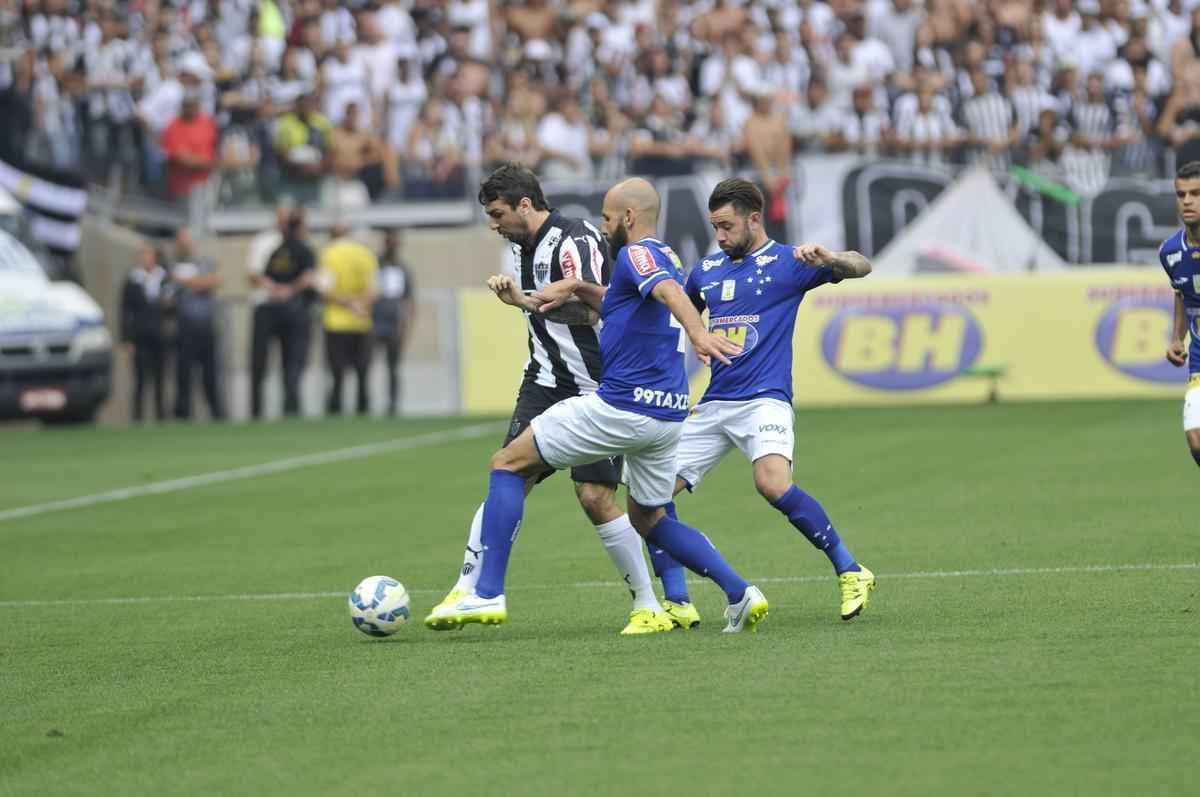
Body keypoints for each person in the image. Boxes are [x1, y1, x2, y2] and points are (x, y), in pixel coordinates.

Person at [425, 177, 770, 635]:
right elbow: (622, 303)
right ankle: (740, 592)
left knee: (507, 463)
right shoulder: (665, 254)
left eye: (607, 218)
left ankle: (485, 592)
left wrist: (698, 332)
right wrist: (572, 285)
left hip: (621, 407)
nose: (602, 227)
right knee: (649, 516)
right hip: (667, 415)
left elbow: (669, 293)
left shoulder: (637, 254)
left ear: (628, 217)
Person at [647, 179, 877, 626]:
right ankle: (677, 601)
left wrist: (831, 259)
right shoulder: (706, 271)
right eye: (715, 227)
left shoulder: (791, 262)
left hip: (764, 399)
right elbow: (677, 312)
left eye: (727, 226)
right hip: (714, 404)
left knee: (772, 484)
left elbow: (862, 265)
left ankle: (851, 570)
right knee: (648, 496)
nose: (720, 236)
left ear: (754, 219)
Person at [250, 207, 316, 419]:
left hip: (288, 309)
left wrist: (285, 290)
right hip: (276, 308)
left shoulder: (296, 247)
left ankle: (289, 407)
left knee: (291, 362)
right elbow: (256, 275)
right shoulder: (272, 245)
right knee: (273, 361)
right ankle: (265, 409)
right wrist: (283, 290)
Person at [317, 225, 378, 416]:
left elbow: (324, 291)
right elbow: (374, 290)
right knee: (362, 373)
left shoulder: (328, 254)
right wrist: (358, 305)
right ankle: (363, 411)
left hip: (336, 323)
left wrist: (347, 303)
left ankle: (335, 411)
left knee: (337, 374)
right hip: (362, 321)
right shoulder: (365, 254)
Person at [1162, 162, 1200, 466]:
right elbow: (1182, 293)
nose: (1187, 201)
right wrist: (1176, 337)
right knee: (1196, 439)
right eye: (1181, 194)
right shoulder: (1170, 252)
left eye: (1196, 194)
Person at [171, 228, 225, 421]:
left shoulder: (203, 262)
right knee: (184, 374)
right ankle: (183, 414)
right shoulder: (173, 264)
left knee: (211, 374)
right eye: (182, 240)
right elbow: (172, 285)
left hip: (206, 327)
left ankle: (217, 413)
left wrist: (189, 282)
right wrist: (198, 282)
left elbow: (215, 280)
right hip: (185, 328)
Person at [120, 243, 170, 423]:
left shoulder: (164, 278)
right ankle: (138, 417)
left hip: (160, 335)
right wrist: (127, 338)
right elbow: (125, 310)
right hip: (140, 335)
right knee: (140, 379)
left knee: (160, 378)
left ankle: (161, 416)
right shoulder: (132, 280)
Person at [372, 228, 415, 416]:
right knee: (366, 365)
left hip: (394, 323)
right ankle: (366, 404)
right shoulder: (375, 266)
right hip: (374, 322)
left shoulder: (402, 269)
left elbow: (408, 301)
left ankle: (392, 404)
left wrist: (406, 327)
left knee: (393, 367)